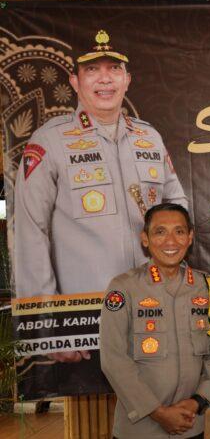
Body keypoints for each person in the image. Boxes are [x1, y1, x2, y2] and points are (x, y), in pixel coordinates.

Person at [14, 28, 187, 301]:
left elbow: (177, 206)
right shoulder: (50, 140)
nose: (105, 78)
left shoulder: (149, 137)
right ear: (75, 81)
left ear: (127, 80)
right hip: (86, 309)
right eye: (92, 69)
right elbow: (31, 230)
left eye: (114, 68)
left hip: (154, 300)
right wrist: (46, 314)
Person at [99, 203, 210, 439]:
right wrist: (157, 412)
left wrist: (197, 401)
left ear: (190, 237)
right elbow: (113, 359)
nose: (171, 241)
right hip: (139, 429)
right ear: (145, 239)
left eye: (179, 232)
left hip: (190, 424)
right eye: (160, 232)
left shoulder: (205, 285)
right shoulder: (124, 287)